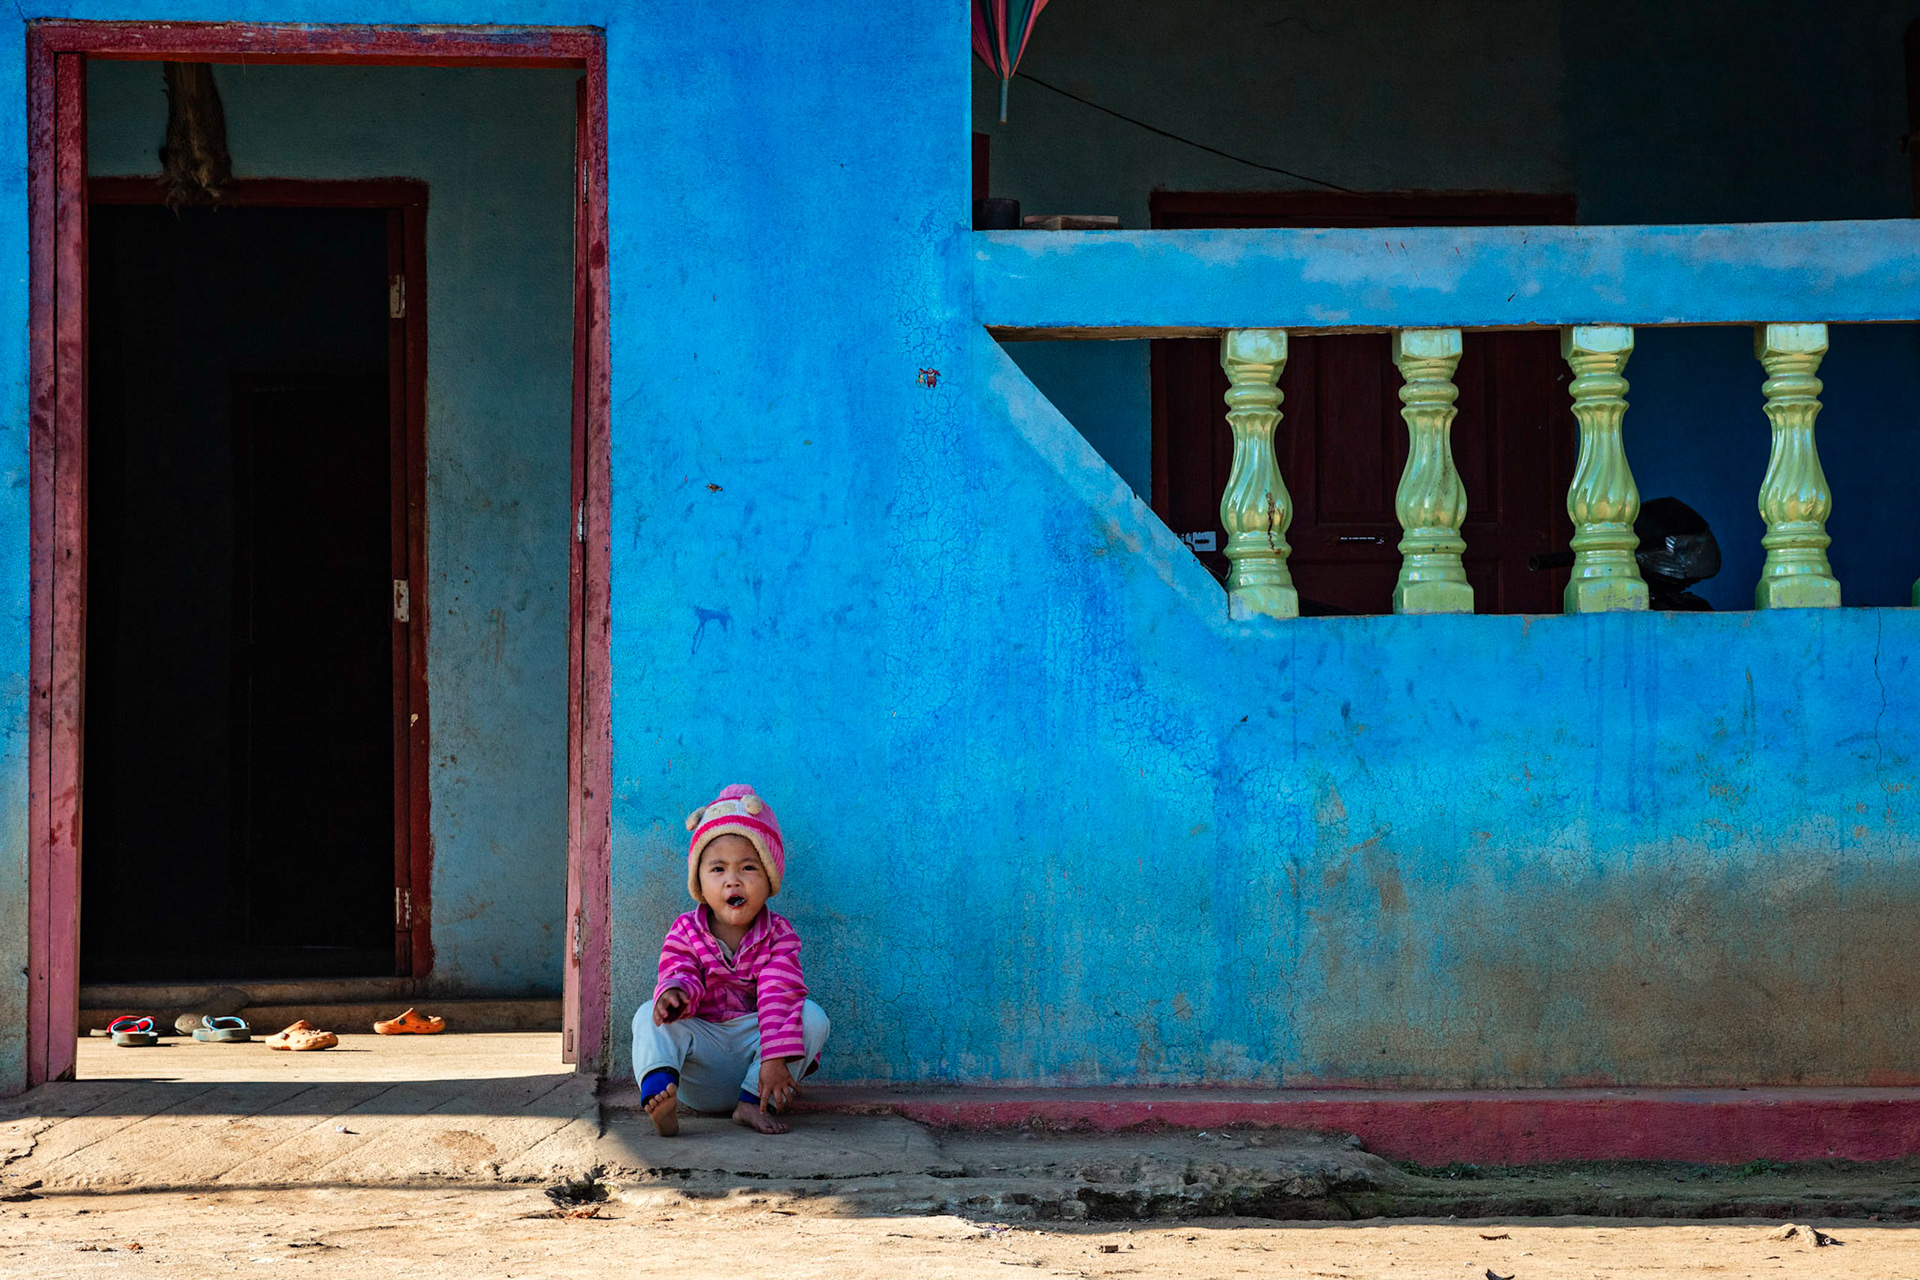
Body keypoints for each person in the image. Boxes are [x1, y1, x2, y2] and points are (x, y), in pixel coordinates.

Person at [632, 784, 830, 1136]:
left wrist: (772, 1058)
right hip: (700, 1069)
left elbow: (780, 994)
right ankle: (659, 1090)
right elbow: (679, 969)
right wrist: (675, 993)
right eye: (718, 869)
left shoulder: (779, 935)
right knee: (647, 1015)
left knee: (812, 1017)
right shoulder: (685, 929)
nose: (732, 881)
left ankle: (750, 1106)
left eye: (748, 868)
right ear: (700, 884)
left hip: (761, 1072)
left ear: (769, 879)